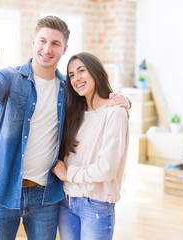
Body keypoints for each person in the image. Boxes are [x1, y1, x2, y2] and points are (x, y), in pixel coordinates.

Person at [0, 15, 130, 240]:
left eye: (55, 44)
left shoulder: (67, 92)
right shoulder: (11, 78)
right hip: (2, 188)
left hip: (45, 196)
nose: (47, 49)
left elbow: (93, 109)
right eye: (42, 41)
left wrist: (125, 102)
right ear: (33, 42)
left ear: (64, 49)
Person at [51, 52, 129, 240]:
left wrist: (67, 174)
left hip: (96, 204)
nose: (76, 78)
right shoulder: (72, 114)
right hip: (66, 200)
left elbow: (106, 169)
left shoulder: (114, 113)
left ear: (97, 73)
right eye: (71, 75)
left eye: (81, 71)